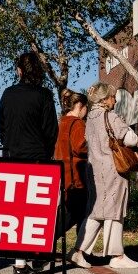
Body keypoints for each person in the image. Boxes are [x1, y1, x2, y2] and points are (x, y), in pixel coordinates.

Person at [0, 52, 58, 274]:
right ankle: (34, 257)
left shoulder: (8, 94)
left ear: (19, 70)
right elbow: (51, 130)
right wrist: (46, 151)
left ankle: (19, 263)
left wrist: (11, 144)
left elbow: (2, 127)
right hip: (37, 158)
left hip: (12, 157)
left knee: (15, 212)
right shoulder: (44, 95)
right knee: (36, 212)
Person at [71, 82, 138, 269]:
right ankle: (117, 255)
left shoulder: (89, 119)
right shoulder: (110, 116)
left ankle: (79, 251)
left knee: (96, 212)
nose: (115, 99)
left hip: (93, 170)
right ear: (104, 99)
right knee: (115, 211)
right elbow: (131, 139)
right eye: (112, 96)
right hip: (113, 169)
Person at [54, 88, 89, 238]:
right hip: (77, 176)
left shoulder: (61, 122)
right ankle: (46, 243)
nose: (86, 111)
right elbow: (80, 147)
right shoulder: (78, 123)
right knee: (76, 213)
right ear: (80, 106)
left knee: (74, 213)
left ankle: (81, 251)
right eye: (86, 107)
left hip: (64, 174)